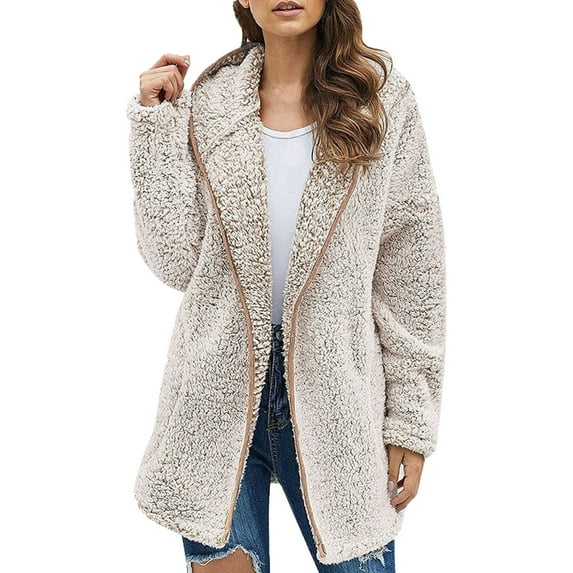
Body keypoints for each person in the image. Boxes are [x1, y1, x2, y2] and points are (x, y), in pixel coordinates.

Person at [126, 1, 447, 572]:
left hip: (340, 397)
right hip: (216, 398)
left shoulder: (381, 101)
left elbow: (411, 273)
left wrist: (411, 421)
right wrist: (156, 129)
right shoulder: (211, 102)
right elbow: (177, 260)